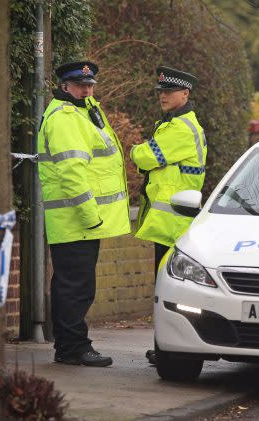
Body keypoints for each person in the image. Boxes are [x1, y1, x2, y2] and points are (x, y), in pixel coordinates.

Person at [37, 61, 130, 367]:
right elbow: (72, 173)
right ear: (65, 87)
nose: (87, 89)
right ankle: (73, 348)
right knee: (75, 287)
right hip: (76, 219)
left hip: (80, 220)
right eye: (80, 85)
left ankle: (69, 346)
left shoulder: (83, 110)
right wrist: (91, 215)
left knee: (73, 284)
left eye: (90, 85)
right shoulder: (65, 117)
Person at [130, 66, 207, 363]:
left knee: (169, 289)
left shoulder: (180, 129)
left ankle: (168, 351)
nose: (162, 96)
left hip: (173, 220)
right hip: (171, 219)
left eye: (168, 92)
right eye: (160, 91)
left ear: (185, 94)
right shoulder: (173, 124)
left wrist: (138, 152)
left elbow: (147, 156)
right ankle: (163, 348)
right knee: (165, 288)